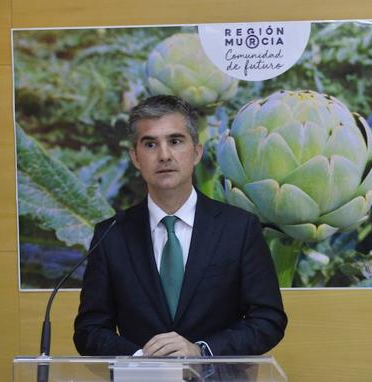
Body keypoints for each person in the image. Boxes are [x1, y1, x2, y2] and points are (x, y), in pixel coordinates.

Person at [73, 95, 287, 357]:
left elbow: (268, 320)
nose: (164, 155)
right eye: (150, 144)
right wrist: (141, 358)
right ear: (135, 158)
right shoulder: (111, 234)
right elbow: (89, 330)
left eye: (175, 141)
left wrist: (202, 351)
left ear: (196, 152)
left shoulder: (239, 228)